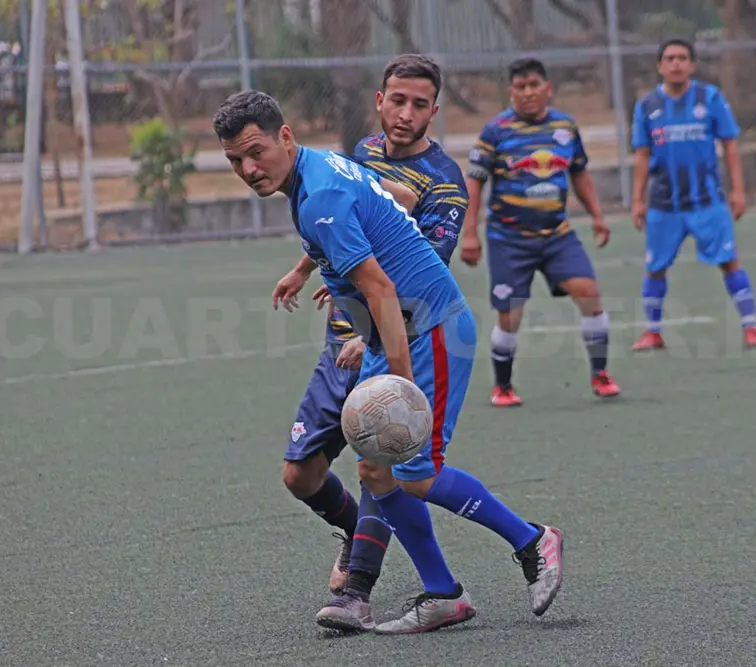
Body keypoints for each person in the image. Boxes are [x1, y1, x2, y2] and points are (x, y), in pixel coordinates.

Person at [215, 90, 564, 635]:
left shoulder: (319, 193)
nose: (249, 168)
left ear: (285, 136)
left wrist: (400, 383)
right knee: (376, 470)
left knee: (418, 474)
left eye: (255, 152)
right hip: (399, 333)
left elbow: (377, 285)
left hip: (433, 330)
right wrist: (313, 271)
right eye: (236, 160)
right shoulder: (319, 169)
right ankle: (444, 594)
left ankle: (532, 540)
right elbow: (391, 197)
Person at [269, 54, 470, 631]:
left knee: (377, 467)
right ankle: (356, 531)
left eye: (419, 104)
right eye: (396, 100)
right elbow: (338, 220)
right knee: (299, 475)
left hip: (388, 341)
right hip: (343, 343)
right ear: (379, 100)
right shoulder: (361, 155)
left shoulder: (445, 182)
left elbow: (424, 268)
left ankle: (357, 591)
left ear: (435, 109)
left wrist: (375, 341)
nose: (405, 113)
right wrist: (304, 269)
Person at [461, 57, 619, 408]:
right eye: (520, 87)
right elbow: (474, 182)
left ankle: (600, 373)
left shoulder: (565, 125)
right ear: (511, 92)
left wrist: (597, 215)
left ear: (548, 88)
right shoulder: (495, 131)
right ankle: (503, 385)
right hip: (509, 238)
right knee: (510, 316)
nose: (528, 93)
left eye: (534, 86)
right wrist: (470, 234)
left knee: (590, 294)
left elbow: (579, 172)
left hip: (557, 235)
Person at [629, 38, 756, 351]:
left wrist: (738, 191)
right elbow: (641, 154)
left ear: (692, 65)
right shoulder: (647, 106)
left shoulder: (711, 98)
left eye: (682, 58)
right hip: (664, 204)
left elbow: (730, 145)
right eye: (669, 58)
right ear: (660, 66)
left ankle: (752, 327)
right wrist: (638, 200)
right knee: (655, 267)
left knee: (729, 261)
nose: (676, 63)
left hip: (708, 201)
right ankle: (652, 332)